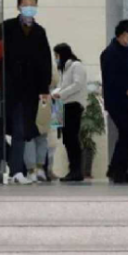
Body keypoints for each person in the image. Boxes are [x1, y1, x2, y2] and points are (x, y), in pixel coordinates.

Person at [2, 0, 53, 185]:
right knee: (18, 129)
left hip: (32, 91)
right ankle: (16, 170)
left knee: (27, 131)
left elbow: (45, 61)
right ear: (18, 6)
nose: (29, 8)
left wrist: (44, 89)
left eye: (33, 4)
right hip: (11, 88)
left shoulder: (40, 31)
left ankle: (21, 170)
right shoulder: (7, 27)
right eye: (25, 4)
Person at [101, 20, 128, 184]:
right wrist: (126, 90)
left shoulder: (124, 52)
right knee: (126, 134)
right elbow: (111, 78)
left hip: (127, 102)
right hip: (118, 102)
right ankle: (117, 170)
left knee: (127, 134)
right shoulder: (111, 53)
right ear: (124, 34)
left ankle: (118, 169)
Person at [52, 43, 88, 182]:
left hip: (73, 105)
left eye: (56, 55)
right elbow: (62, 86)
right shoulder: (64, 69)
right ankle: (72, 170)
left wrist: (61, 94)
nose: (56, 58)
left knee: (72, 138)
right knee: (67, 139)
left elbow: (77, 84)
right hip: (63, 105)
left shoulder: (76, 66)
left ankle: (76, 171)